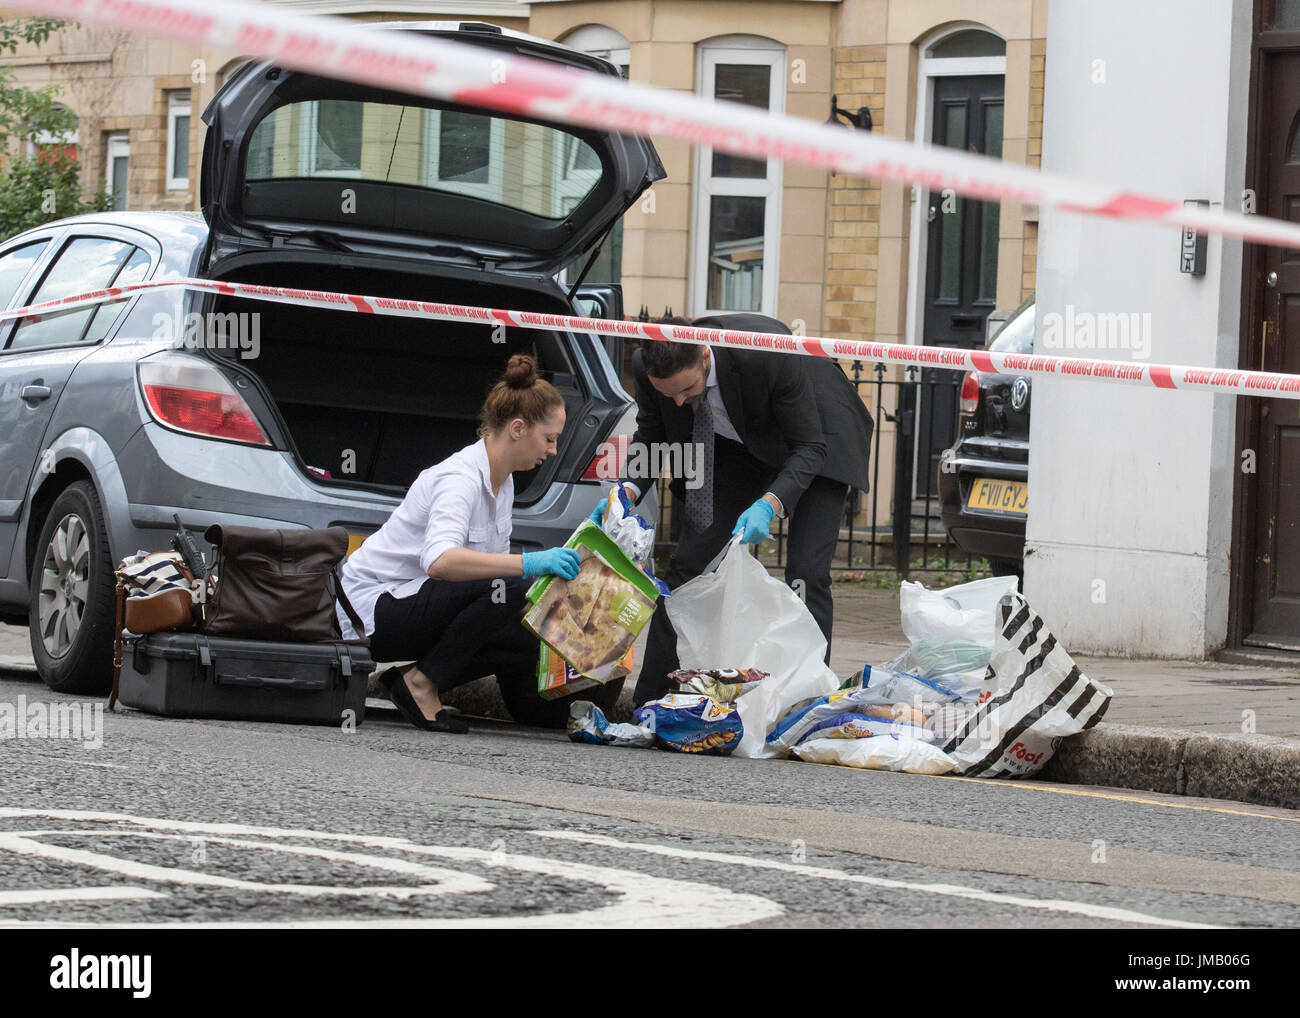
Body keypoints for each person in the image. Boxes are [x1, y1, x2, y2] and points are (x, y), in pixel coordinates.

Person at [601, 317, 873, 706]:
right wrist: (625, 491)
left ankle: (807, 702)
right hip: (741, 444)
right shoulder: (651, 365)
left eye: (688, 390)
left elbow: (809, 446)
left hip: (819, 436)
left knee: (806, 573)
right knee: (688, 566)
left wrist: (768, 503)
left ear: (705, 357)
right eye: (670, 394)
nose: (679, 402)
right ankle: (651, 701)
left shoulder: (764, 355)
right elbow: (653, 434)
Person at [338, 354, 580, 733]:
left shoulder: (504, 480)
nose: (551, 450)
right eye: (549, 439)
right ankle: (421, 684)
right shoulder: (459, 479)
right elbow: (440, 562)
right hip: (371, 611)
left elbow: (482, 582)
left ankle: (409, 679)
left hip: (415, 603)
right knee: (509, 587)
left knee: (526, 632)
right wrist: (530, 564)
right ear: (518, 428)